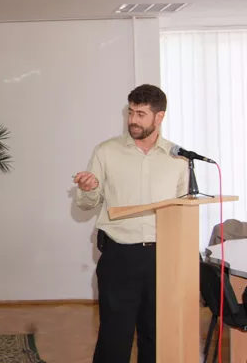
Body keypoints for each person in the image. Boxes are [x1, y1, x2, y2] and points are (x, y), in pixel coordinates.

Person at [73, 84, 189, 363]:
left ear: (159, 117)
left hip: (161, 257)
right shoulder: (106, 151)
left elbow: (183, 211)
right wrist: (89, 189)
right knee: (114, 335)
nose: (133, 120)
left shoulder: (178, 159)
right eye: (130, 112)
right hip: (119, 255)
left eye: (141, 114)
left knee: (156, 334)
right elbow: (87, 204)